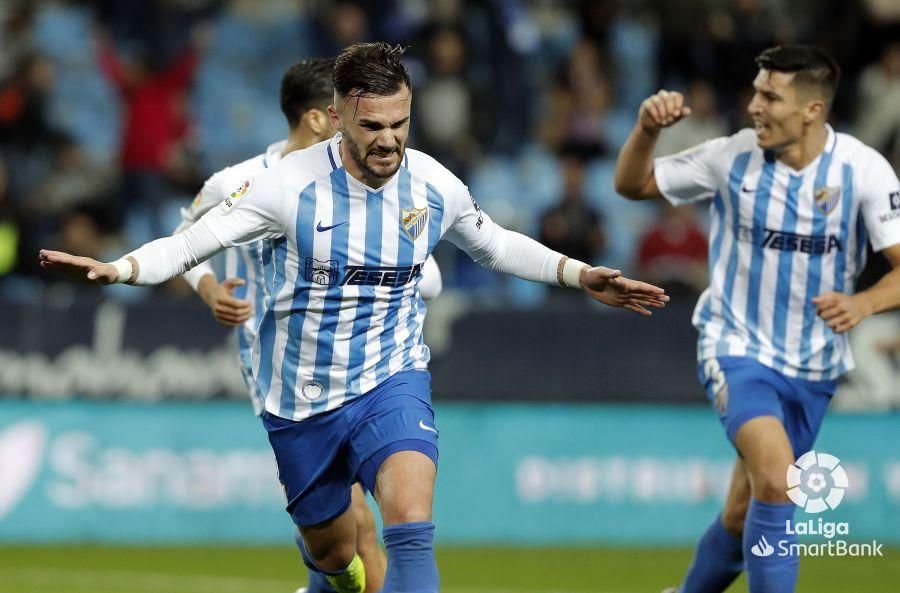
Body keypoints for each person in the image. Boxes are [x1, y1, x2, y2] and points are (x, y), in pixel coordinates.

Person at [40, 42, 669, 593]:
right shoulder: (284, 187)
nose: (389, 140)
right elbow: (185, 245)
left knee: (410, 523)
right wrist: (117, 270)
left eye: (400, 123)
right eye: (372, 126)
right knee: (337, 553)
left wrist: (579, 275)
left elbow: (497, 244)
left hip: (391, 379)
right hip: (302, 398)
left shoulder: (431, 184)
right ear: (337, 116)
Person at [615, 45, 900, 593]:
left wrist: (864, 303)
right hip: (737, 347)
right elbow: (633, 185)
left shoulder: (863, 170)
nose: (754, 105)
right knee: (777, 479)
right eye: (755, 90)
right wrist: (646, 130)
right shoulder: (731, 157)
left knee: (742, 516)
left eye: (771, 95)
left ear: (813, 109)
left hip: (814, 367)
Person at [173, 57, 439, 593]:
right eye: (344, 112)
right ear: (320, 119)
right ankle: (326, 573)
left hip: (358, 364)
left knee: (361, 523)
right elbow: (184, 233)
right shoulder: (241, 181)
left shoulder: (361, 184)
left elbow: (426, 272)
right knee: (353, 523)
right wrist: (208, 289)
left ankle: (323, 580)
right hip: (277, 367)